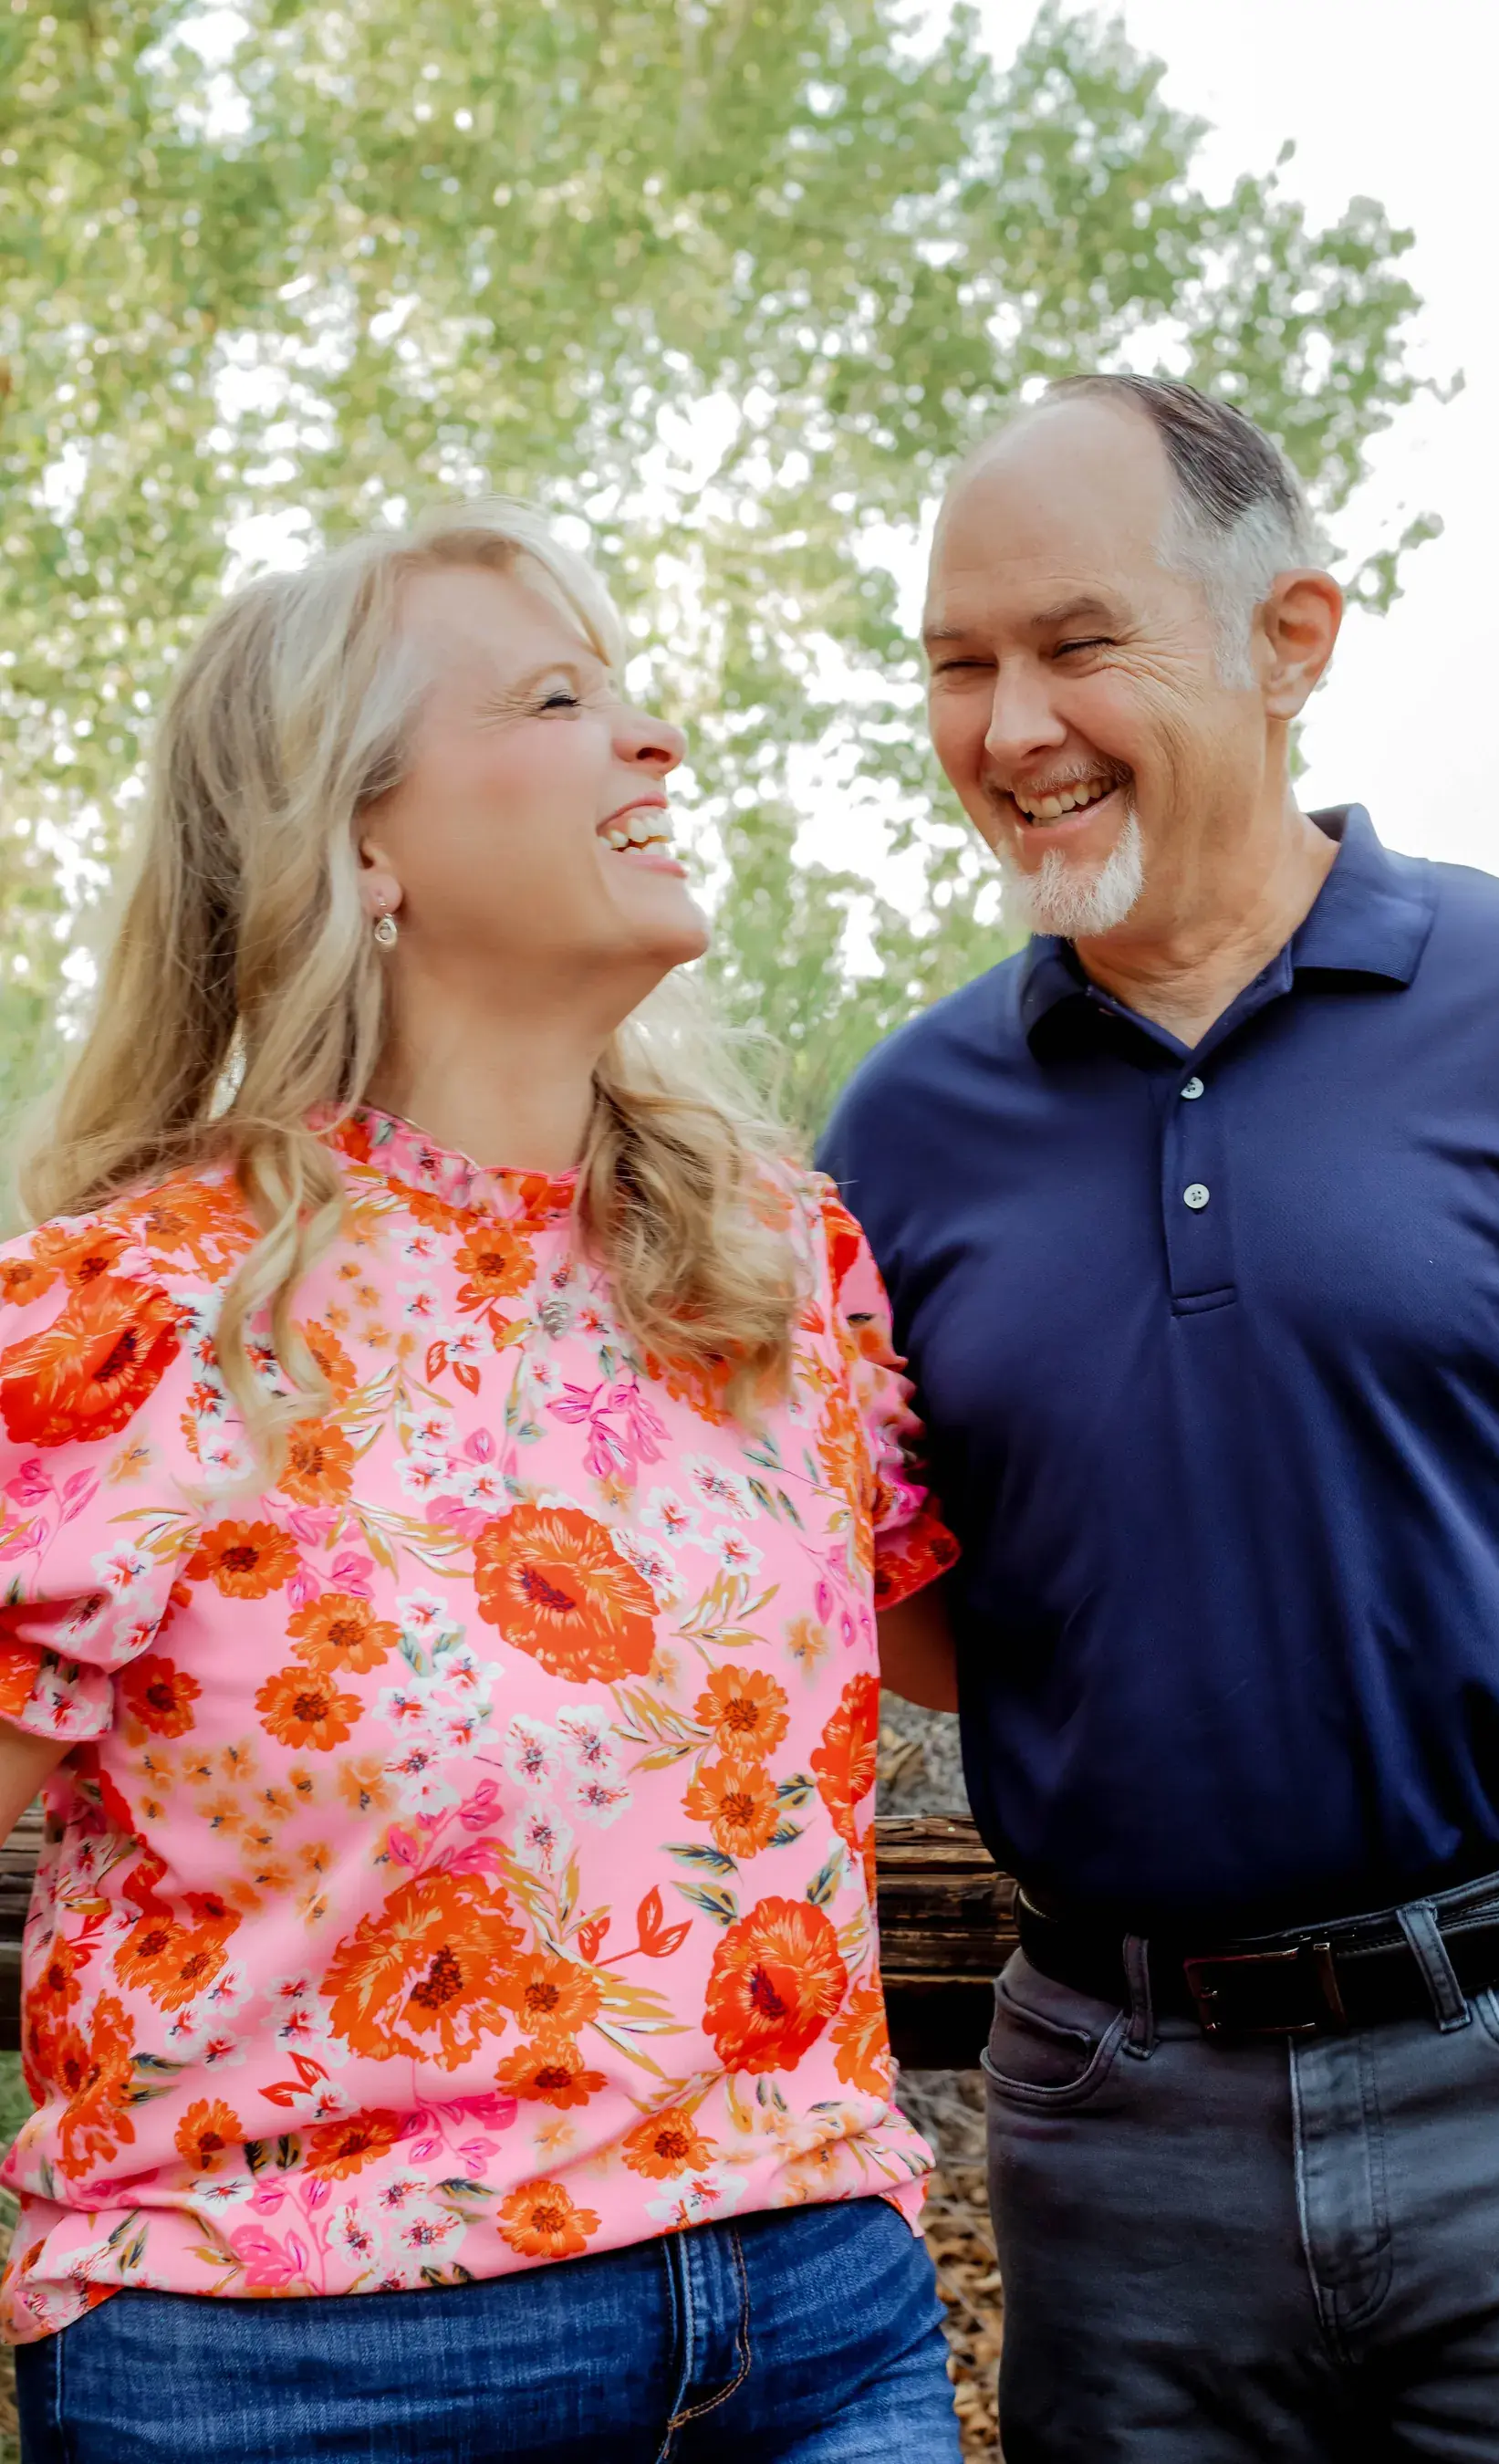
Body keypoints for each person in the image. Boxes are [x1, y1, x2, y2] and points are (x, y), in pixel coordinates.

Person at [0, 498, 963, 2462]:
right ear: (359, 843)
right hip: (298, 2373)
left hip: (816, 2332)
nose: (653, 737)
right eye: (553, 698)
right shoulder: (129, 1310)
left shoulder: (783, 1263)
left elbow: (1027, 1664)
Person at [818, 372, 1499, 2463]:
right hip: (1118, 2137)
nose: (1011, 727)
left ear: (1290, 642)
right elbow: (915, 1605)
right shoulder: (900, 1135)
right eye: (958, 666)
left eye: (1078, 645)